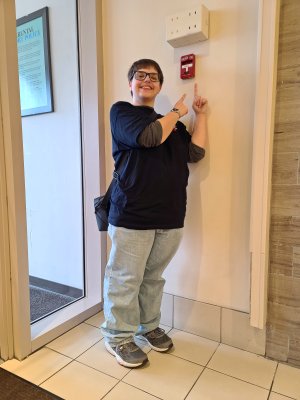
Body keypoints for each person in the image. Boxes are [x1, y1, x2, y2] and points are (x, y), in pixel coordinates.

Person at [101, 59, 208, 368]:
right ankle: (118, 337)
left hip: (171, 215)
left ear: (159, 85)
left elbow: (195, 154)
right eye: (140, 75)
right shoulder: (122, 112)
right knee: (124, 278)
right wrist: (176, 112)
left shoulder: (170, 124)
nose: (146, 80)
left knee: (152, 278)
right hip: (132, 214)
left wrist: (200, 117)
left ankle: (147, 327)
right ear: (131, 84)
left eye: (153, 77)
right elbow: (148, 138)